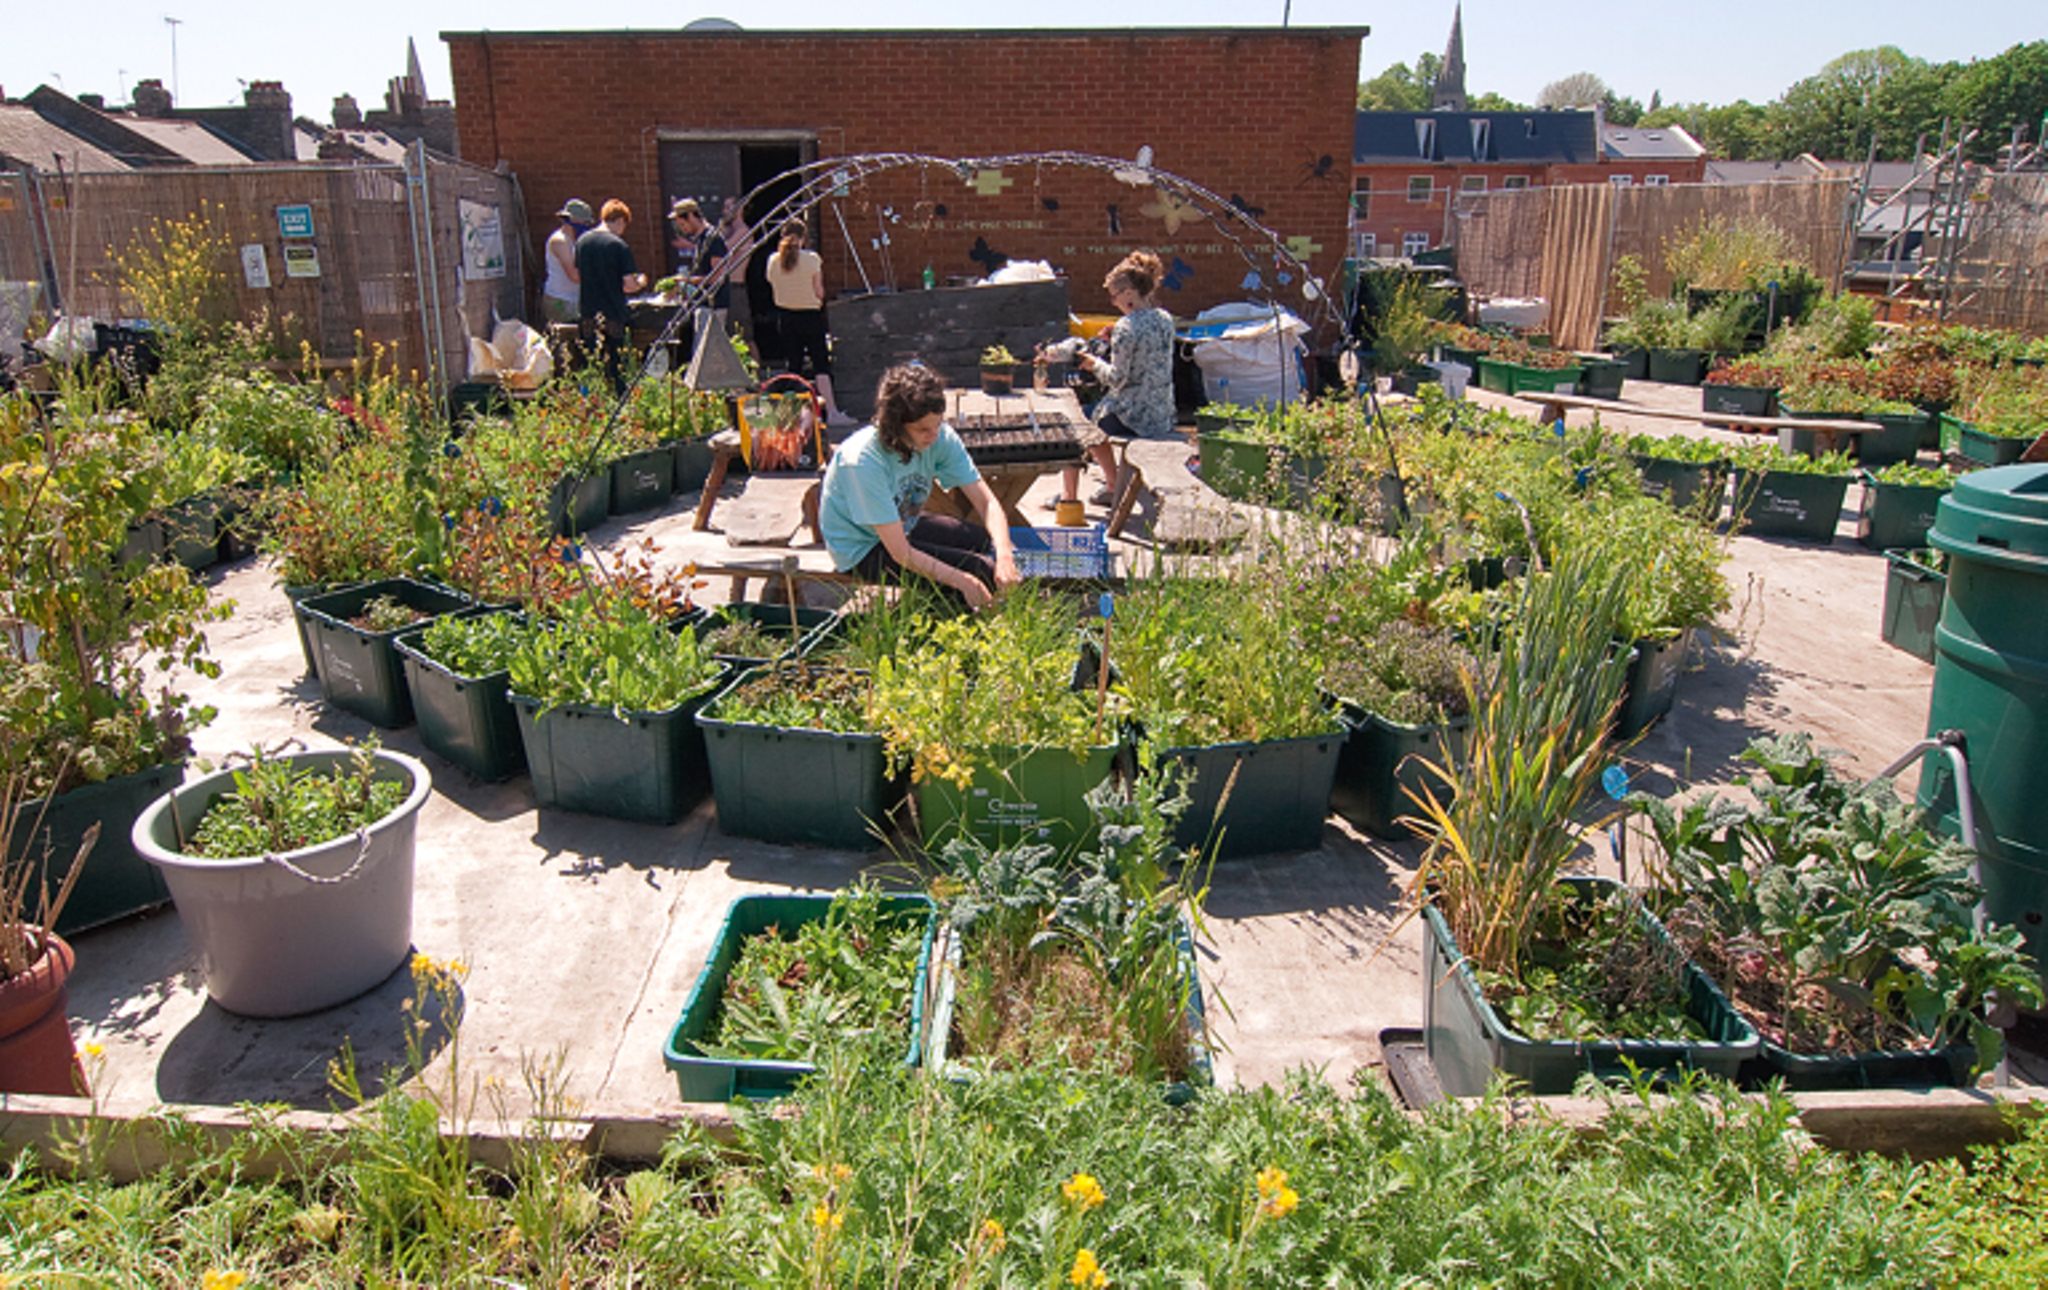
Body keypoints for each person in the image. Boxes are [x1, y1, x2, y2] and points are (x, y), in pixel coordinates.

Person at [820, 363, 1020, 609]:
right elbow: (901, 553)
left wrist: (1005, 555)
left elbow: (986, 502)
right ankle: (949, 623)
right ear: (894, 425)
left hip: (902, 525)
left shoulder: (940, 436)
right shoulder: (863, 461)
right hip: (861, 549)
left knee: (985, 541)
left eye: (937, 424)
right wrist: (963, 581)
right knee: (978, 572)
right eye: (922, 429)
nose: (933, 435)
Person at [1047, 249, 1177, 511]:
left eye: (1114, 295)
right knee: (1093, 420)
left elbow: (1116, 379)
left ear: (1129, 293)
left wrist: (1093, 363)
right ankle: (1111, 485)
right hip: (1162, 412)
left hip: (1135, 416)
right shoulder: (1165, 319)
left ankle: (1086, 492)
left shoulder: (1126, 327)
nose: (1112, 301)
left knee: (1079, 423)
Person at [766, 220, 851, 426]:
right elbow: (819, 291)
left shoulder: (773, 260)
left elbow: (772, 284)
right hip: (810, 316)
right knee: (821, 364)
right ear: (803, 238)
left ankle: (791, 417)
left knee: (793, 366)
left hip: (786, 316)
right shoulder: (812, 259)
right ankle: (832, 412)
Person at [575, 199, 647, 393]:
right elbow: (629, 286)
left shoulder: (582, 242)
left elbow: (578, 275)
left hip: (588, 310)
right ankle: (619, 399)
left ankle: (586, 398)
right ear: (621, 220)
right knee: (617, 364)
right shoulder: (618, 245)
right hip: (613, 311)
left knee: (590, 361)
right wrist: (641, 281)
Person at [669, 198, 731, 345]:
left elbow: (717, 276)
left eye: (683, 224)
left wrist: (687, 280)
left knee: (711, 349)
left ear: (691, 216)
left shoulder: (713, 239)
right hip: (702, 304)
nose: (682, 229)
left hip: (714, 305)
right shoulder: (700, 240)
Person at [541, 198, 593, 325]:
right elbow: (574, 275)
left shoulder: (575, 241)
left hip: (573, 299)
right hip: (560, 301)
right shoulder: (560, 241)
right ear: (573, 221)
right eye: (584, 223)